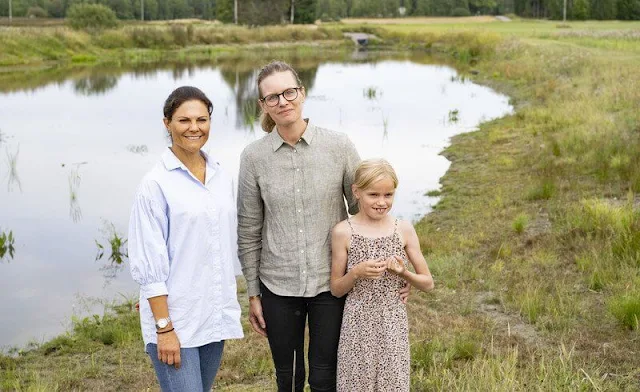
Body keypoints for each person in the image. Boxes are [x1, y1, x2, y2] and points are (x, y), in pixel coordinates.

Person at [237, 60, 410, 391]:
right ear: (263, 105)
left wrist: (397, 269)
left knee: (325, 375)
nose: (282, 101)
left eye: (289, 92)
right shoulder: (253, 158)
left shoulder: (339, 146)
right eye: (272, 97)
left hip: (330, 286)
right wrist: (253, 294)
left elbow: (369, 212)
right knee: (288, 378)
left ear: (301, 93)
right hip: (278, 286)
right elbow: (248, 231)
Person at [128, 86, 243, 392]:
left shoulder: (220, 175)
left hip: (211, 314)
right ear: (167, 123)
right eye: (184, 120)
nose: (194, 128)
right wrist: (164, 327)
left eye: (202, 120)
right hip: (175, 321)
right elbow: (149, 262)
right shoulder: (155, 185)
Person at [330, 158, 435, 392]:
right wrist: (356, 273)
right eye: (373, 195)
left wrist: (404, 273)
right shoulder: (343, 231)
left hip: (392, 319)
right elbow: (336, 288)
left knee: (393, 384)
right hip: (356, 322)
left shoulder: (403, 229)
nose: (381, 202)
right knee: (356, 384)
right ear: (357, 192)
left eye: (388, 195)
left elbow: (428, 283)